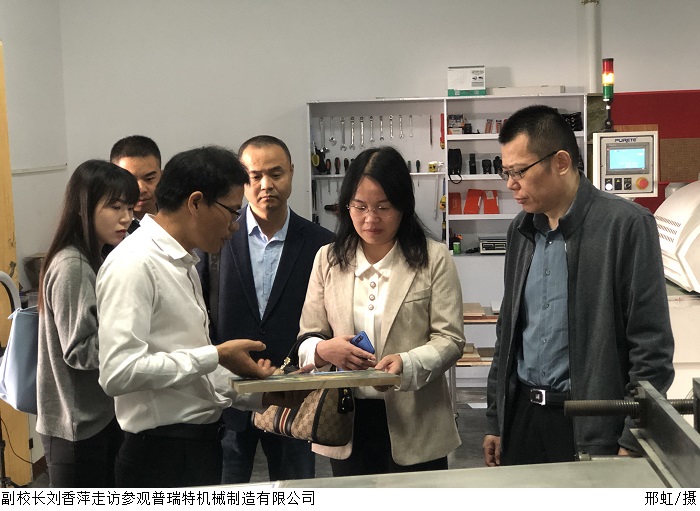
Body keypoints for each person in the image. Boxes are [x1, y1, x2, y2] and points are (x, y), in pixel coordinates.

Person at [96, 145, 305, 488]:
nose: (235, 226)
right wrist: (216, 355)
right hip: (160, 456)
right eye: (232, 212)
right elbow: (118, 373)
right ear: (195, 202)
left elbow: (194, 377)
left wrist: (263, 394)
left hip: (195, 447)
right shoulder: (135, 263)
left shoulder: (184, 263)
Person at [483, 105, 675, 467]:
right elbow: (507, 332)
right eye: (505, 172)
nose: (510, 184)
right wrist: (496, 418)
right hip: (523, 418)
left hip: (590, 424)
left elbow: (651, 346)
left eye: (519, 172)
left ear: (560, 162)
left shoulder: (626, 226)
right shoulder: (521, 231)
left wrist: (632, 436)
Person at [296, 146, 465, 476]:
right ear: (347, 206)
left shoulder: (433, 258)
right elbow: (308, 334)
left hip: (417, 419)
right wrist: (322, 350)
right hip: (346, 420)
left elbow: (450, 339)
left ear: (403, 206)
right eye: (359, 207)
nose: (370, 219)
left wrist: (407, 364)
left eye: (383, 207)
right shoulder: (328, 259)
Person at [198, 135, 334, 484]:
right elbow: (201, 313)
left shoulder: (321, 243)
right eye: (254, 176)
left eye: (276, 174)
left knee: (295, 492)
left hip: (293, 394)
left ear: (292, 172)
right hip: (229, 393)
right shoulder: (216, 238)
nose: (265, 185)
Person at [36, 160, 139, 487]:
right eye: (115, 207)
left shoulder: (96, 257)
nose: (126, 217)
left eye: (129, 207)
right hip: (77, 427)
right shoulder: (73, 265)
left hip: (97, 417)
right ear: (83, 208)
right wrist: (136, 335)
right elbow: (79, 351)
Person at [110, 135, 162, 230]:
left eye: (149, 179)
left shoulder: (178, 217)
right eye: (131, 180)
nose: (141, 189)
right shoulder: (105, 227)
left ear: (162, 176)